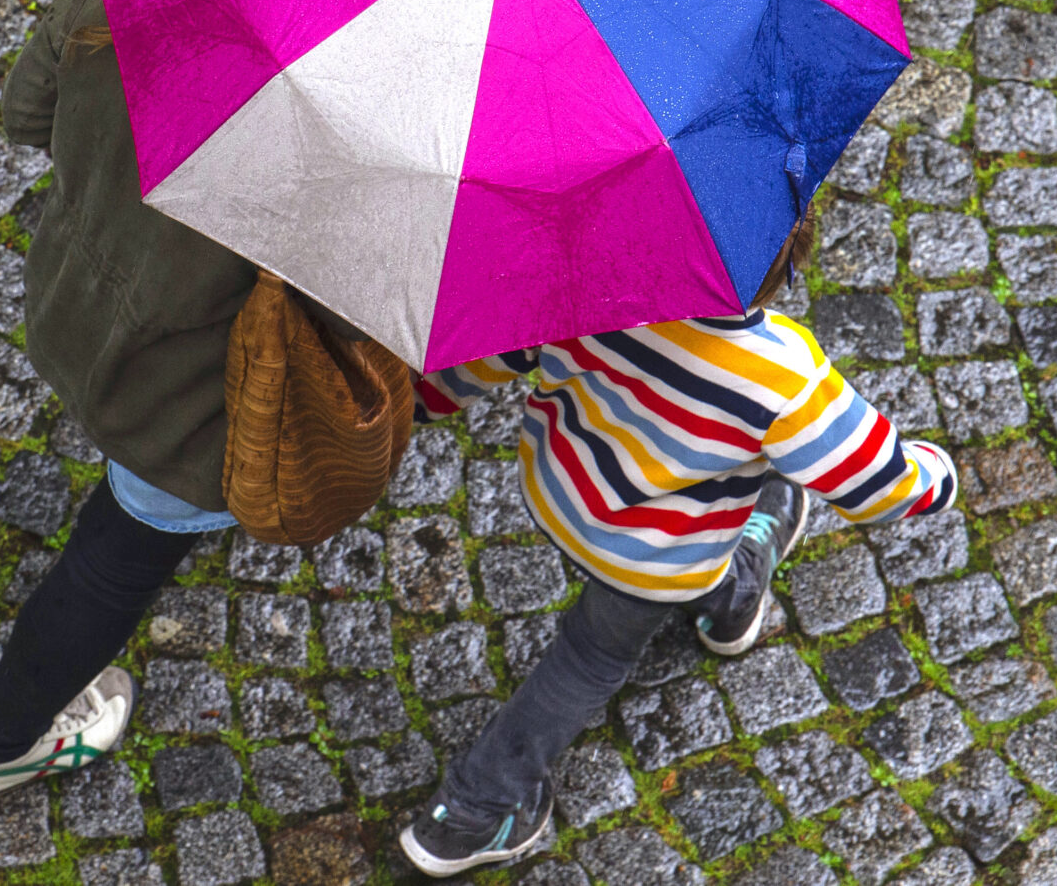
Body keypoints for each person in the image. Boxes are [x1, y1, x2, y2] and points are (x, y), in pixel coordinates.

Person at [399, 211, 958, 874]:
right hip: (654, 558)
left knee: (668, 584)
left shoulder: (585, 280)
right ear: (781, 271)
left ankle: (732, 592)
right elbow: (875, 484)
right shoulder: (784, 376)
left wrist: (415, 403)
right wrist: (933, 476)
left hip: (562, 488)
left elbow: (481, 358)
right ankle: (472, 809)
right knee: (588, 658)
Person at [0, 0, 365, 797]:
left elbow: (28, 111)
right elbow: (353, 336)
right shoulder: (374, 156)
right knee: (113, 565)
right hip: (185, 410)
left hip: (73, 304)